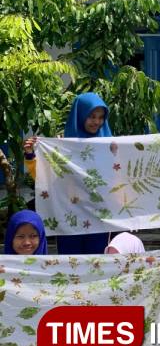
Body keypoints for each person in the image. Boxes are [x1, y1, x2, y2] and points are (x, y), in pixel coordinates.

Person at [0, 210, 94, 346]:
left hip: (46, 342)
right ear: (11, 238)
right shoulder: (2, 270)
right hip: (11, 345)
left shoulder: (53, 272)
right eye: (20, 236)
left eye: (33, 236)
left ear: (41, 237)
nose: (27, 242)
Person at [23, 92, 113, 254]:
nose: (97, 122)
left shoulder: (109, 145)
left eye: (101, 117)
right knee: (70, 267)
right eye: (92, 116)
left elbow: (118, 177)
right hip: (68, 217)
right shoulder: (62, 146)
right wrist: (31, 154)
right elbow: (45, 178)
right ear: (79, 115)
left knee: (98, 267)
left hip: (99, 218)